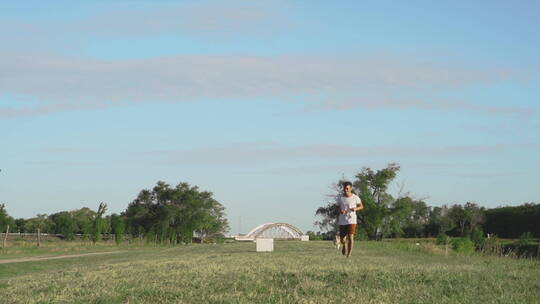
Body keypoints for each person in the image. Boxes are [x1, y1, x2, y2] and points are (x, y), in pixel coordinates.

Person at [337, 181, 363, 257]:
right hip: (342, 220)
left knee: (351, 237)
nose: (345, 190)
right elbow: (337, 207)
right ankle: (344, 245)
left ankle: (349, 254)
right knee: (342, 239)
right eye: (344, 188)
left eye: (347, 188)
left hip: (352, 220)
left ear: (351, 188)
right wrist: (340, 210)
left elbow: (361, 206)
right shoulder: (340, 197)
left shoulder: (355, 197)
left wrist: (356, 208)